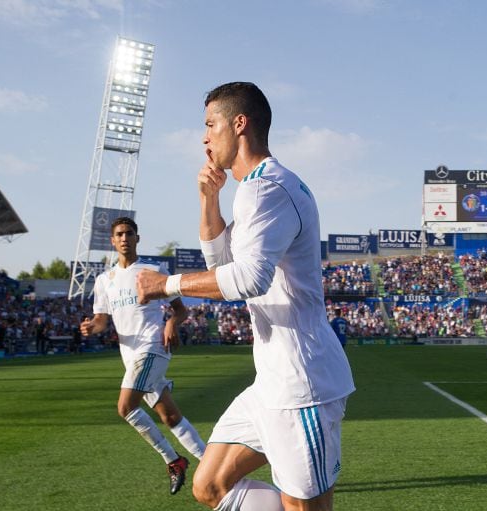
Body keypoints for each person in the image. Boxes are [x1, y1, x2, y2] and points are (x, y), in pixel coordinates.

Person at [136, 82, 356, 510]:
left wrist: (166, 284)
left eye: (209, 124)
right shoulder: (255, 188)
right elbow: (222, 264)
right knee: (210, 485)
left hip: (302, 384)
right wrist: (208, 200)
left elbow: (249, 279)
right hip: (270, 383)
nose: (203, 136)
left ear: (239, 124)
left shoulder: (267, 188)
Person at [80, 217, 206, 496]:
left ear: (137, 238)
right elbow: (102, 320)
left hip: (152, 346)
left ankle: (174, 461)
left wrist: (172, 323)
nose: (124, 238)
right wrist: (92, 327)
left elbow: (181, 310)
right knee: (170, 416)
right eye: (119, 235)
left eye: (129, 234)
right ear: (112, 241)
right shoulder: (104, 281)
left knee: (125, 408)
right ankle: (213, 464)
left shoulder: (153, 270)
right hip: (130, 355)